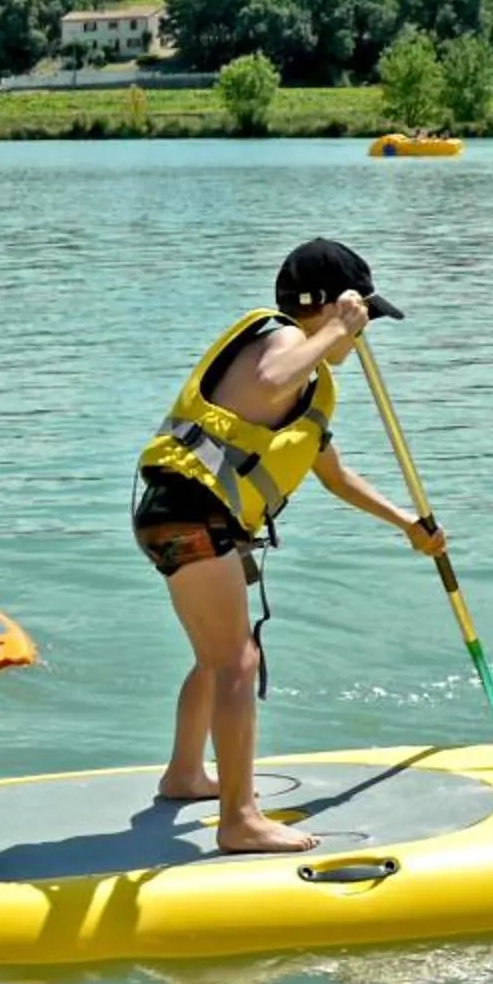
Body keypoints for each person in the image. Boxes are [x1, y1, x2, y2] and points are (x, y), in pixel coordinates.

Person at [137, 239, 446, 855]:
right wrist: (334, 331)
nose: (364, 332)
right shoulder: (282, 344)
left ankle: (184, 775)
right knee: (237, 663)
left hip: (176, 517)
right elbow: (274, 376)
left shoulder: (307, 383)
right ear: (331, 306)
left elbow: (335, 475)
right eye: (364, 316)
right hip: (194, 516)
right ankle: (239, 821)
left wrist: (407, 523)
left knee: (216, 659)